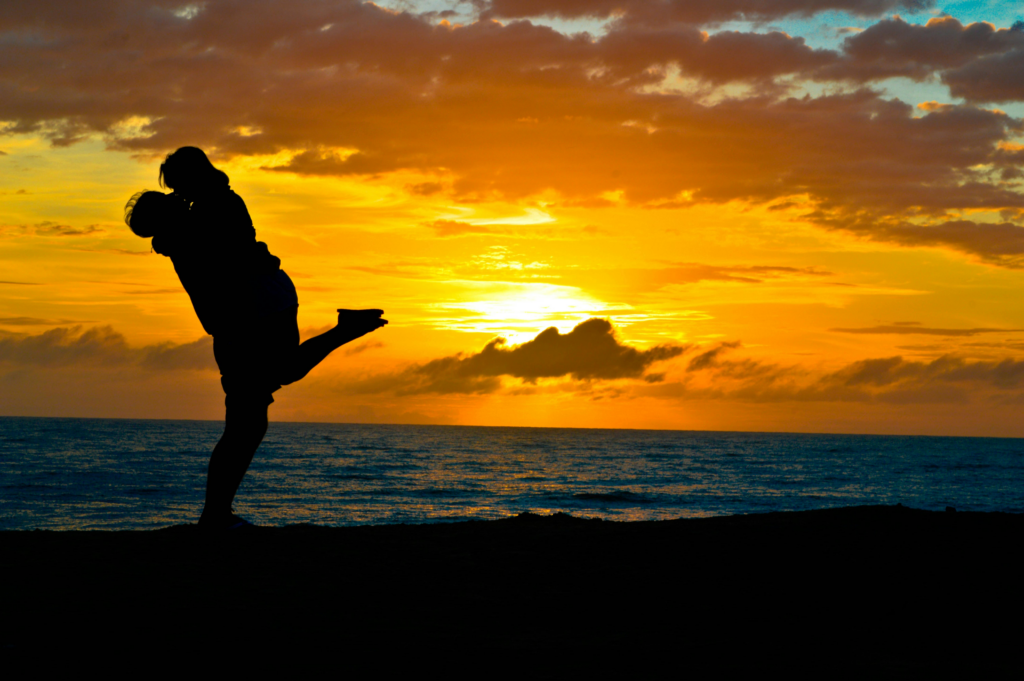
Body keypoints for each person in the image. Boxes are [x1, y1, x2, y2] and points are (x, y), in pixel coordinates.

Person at [125, 146, 387, 529]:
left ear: (192, 179)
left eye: (178, 185)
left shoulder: (210, 211)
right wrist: (173, 216)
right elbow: (163, 233)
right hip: (248, 313)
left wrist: (174, 216)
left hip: (256, 308)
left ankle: (215, 515)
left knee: (253, 410)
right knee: (255, 410)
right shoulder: (194, 217)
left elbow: (200, 240)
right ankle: (216, 514)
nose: (176, 193)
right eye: (172, 189)